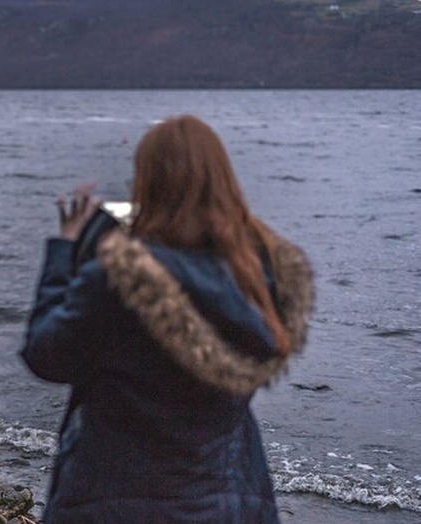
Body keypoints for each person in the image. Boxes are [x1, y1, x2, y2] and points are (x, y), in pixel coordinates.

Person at [21, 115, 315, 523]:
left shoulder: (120, 278)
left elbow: (45, 355)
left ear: (148, 184)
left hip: (116, 499)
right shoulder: (261, 278)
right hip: (227, 499)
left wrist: (65, 247)